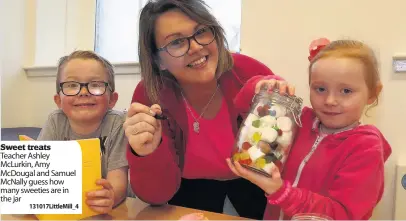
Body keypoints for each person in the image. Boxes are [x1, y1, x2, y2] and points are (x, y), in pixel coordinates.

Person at [123, 0, 291, 219]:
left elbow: (279, 160)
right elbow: (155, 195)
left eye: (201, 31)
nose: (195, 47)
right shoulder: (151, 94)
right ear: (158, 60)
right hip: (186, 194)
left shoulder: (249, 73)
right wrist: (146, 153)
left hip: (257, 186)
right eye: (176, 42)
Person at [227, 39, 392, 220]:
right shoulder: (299, 121)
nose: (330, 100)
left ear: (372, 93)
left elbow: (342, 215)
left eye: (346, 91)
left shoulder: (366, 147)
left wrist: (281, 191)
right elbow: (243, 108)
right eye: (320, 89)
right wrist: (263, 87)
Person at [36, 50, 129, 214]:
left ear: (112, 99)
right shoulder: (55, 121)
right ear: (58, 100)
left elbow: (119, 182)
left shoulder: (117, 123)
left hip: (108, 211)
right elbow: (40, 172)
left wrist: (111, 196)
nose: (84, 92)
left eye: (96, 85)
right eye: (71, 85)